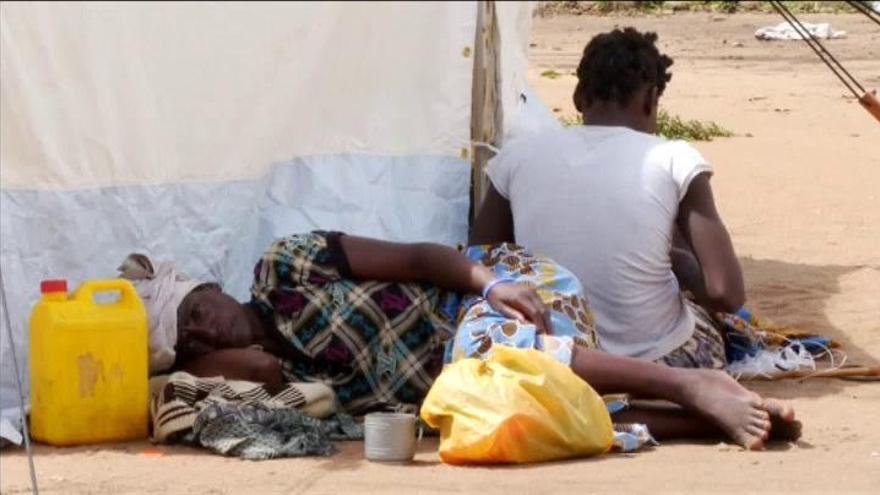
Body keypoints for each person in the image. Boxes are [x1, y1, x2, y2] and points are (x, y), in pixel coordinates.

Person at [122, 231, 799, 450]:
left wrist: (486, 283)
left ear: (208, 283)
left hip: (497, 295)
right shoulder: (289, 382)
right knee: (501, 415)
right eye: (188, 335)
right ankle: (697, 421)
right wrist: (204, 358)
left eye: (196, 306)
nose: (206, 324)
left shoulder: (287, 266)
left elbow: (418, 258)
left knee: (488, 356)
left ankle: (688, 382)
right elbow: (240, 383)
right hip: (481, 371)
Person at [472, 27, 744, 370]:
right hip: (659, 360)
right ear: (650, 100)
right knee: (702, 312)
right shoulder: (675, 158)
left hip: (558, 356)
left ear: (578, 97)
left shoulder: (518, 156)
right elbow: (726, 294)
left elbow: (482, 258)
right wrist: (677, 258)